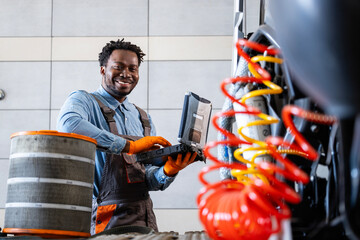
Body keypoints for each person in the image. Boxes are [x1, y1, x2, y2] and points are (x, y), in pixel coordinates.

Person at [57, 39, 197, 235]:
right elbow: (69, 126)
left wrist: (168, 171)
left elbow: (146, 179)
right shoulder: (83, 101)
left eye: (133, 68)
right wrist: (128, 146)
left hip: (143, 219)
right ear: (102, 70)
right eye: (118, 67)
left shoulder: (143, 118)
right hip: (103, 219)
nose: (127, 74)